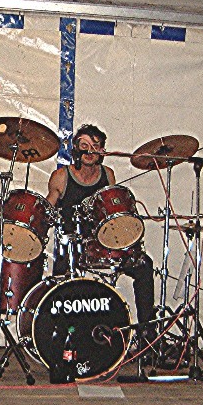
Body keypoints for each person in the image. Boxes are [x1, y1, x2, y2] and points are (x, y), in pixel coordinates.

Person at [46, 124, 156, 345]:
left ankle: (147, 334)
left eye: (95, 145)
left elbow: (113, 214)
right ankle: (60, 340)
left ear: (102, 151)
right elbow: (47, 211)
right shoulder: (61, 176)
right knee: (60, 278)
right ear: (75, 149)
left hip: (106, 245)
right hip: (74, 248)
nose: (89, 150)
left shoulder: (108, 175)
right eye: (84, 145)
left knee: (144, 265)